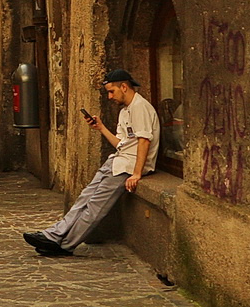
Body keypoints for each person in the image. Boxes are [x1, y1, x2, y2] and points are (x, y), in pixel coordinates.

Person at [23, 69, 158, 257]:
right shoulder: (125, 111)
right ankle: (54, 235)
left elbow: (144, 141)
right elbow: (122, 144)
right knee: (85, 197)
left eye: (111, 92)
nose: (110, 97)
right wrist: (101, 128)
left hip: (127, 167)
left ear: (124, 87)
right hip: (117, 161)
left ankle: (66, 245)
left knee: (95, 205)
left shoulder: (140, 107)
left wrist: (136, 173)